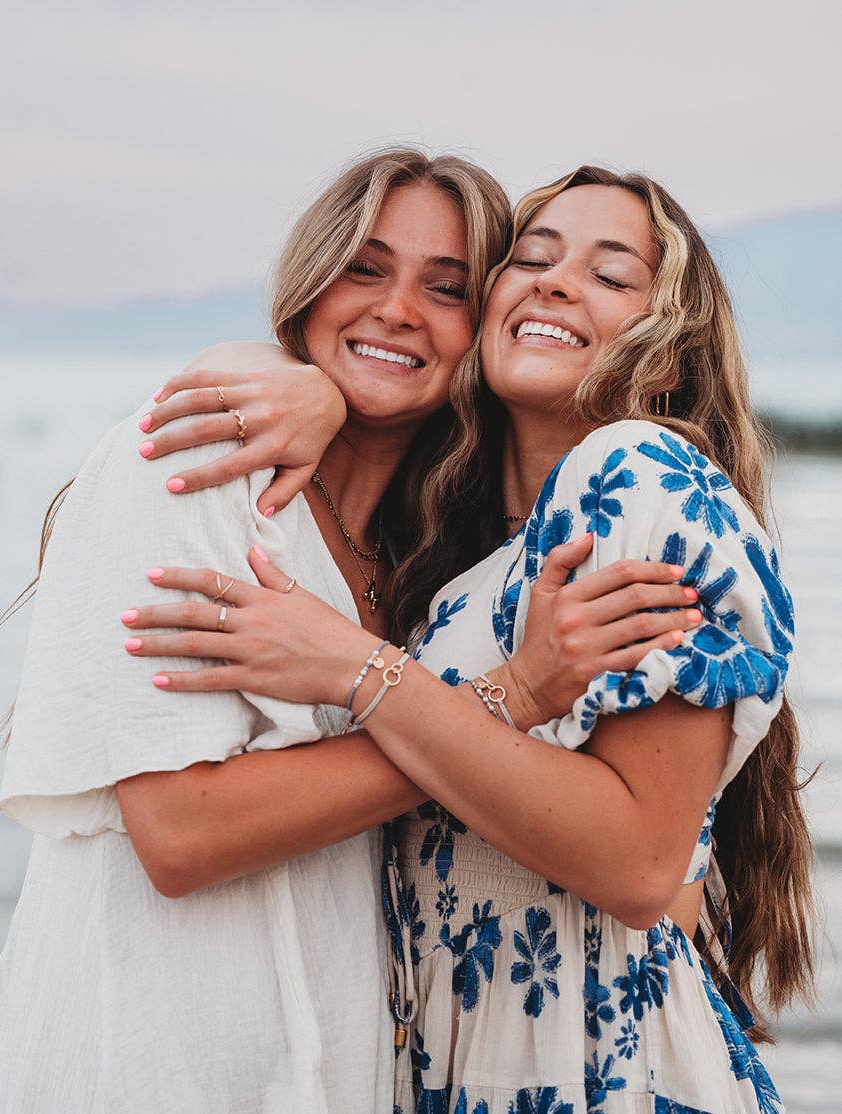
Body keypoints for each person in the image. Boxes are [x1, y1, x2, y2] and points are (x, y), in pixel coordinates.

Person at [0, 152, 697, 1114]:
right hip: (137, 1070)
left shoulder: (441, 560)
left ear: (484, 324)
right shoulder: (197, 471)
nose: (397, 309)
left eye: (446, 288)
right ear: (308, 283)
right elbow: (180, 835)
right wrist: (502, 702)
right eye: (363, 267)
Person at [127, 167, 815, 1112]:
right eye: (530, 259)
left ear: (669, 339)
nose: (556, 282)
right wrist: (314, 390)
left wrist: (353, 667)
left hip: (597, 1072)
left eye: (611, 277)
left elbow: (637, 864)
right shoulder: (467, 559)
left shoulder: (638, 470)